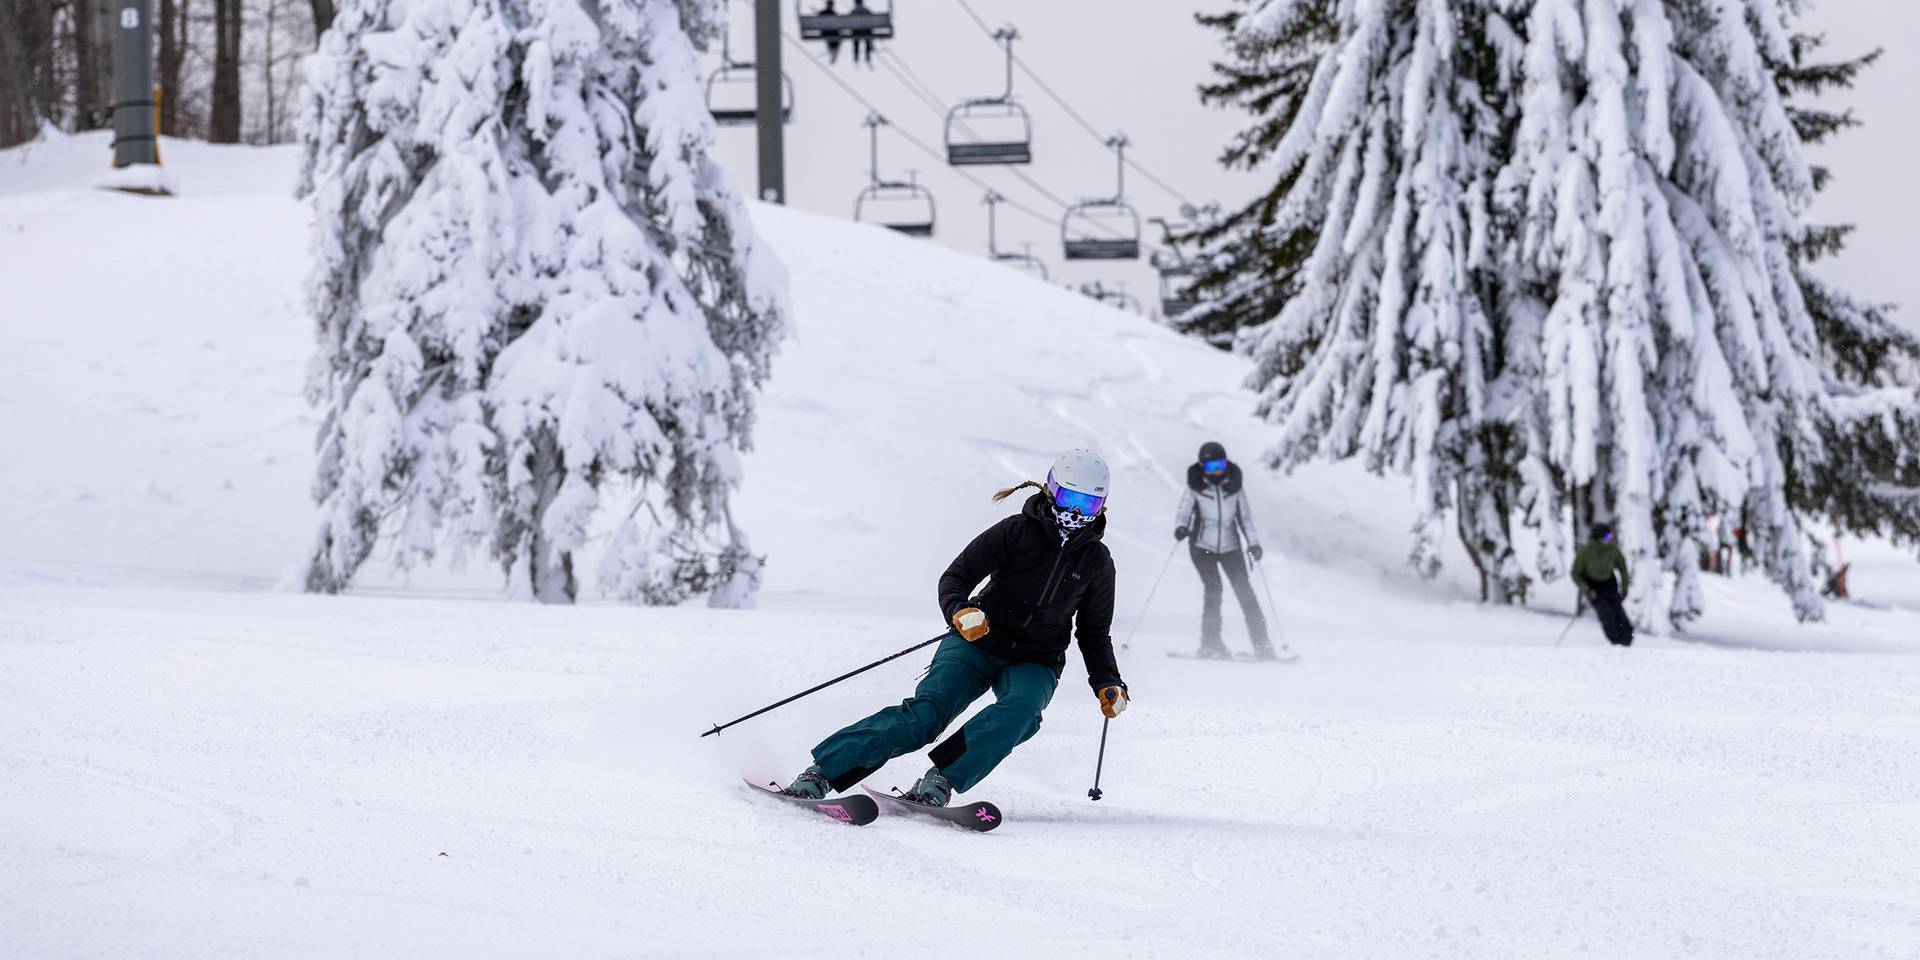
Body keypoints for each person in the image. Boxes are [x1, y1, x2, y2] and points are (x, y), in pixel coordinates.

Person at [783, 450, 1130, 807]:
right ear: (1051, 489)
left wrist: (1108, 681)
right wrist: (959, 610)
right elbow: (956, 578)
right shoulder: (1015, 532)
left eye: (1087, 504)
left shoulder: (1097, 563)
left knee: (1022, 712)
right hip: (977, 641)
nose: (1075, 512)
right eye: (1070, 498)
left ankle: (940, 780)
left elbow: (1094, 633)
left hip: (1037, 660)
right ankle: (820, 773)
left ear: (1101, 507)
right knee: (925, 716)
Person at [1173, 441, 1274, 660]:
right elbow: (1184, 510)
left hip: (1231, 547)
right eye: (1211, 467)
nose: (1216, 471)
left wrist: (1253, 544)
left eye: (1220, 465)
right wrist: (1181, 527)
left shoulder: (1234, 486)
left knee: (1245, 592)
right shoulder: (1196, 486)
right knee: (1214, 588)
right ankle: (1211, 643)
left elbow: (1245, 518)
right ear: (1202, 467)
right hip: (1202, 547)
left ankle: (1262, 644)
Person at [1572, 522, 1634, 646]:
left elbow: (1622, 568)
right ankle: (1616, 643)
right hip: (1593, 588)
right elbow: (1575, 573)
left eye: (1610, 537)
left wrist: (1625, 587)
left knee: (1619, 612)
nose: (1610, 539)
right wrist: (1586, 589)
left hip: (1609, 584)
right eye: (1607, 537)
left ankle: (1627, 639)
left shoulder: (1612, 550)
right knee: (1606, 614)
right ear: (1598, 538)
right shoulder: (1585, 552)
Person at [849, 0, 876, 67]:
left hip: (856, 32)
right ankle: (867, 56)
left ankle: (856, 57)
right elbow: (872, 20)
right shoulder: (866, 10)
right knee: (867, 40)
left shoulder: (853, 11)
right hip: (866, 31)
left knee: (856, 42)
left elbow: (849, 21)